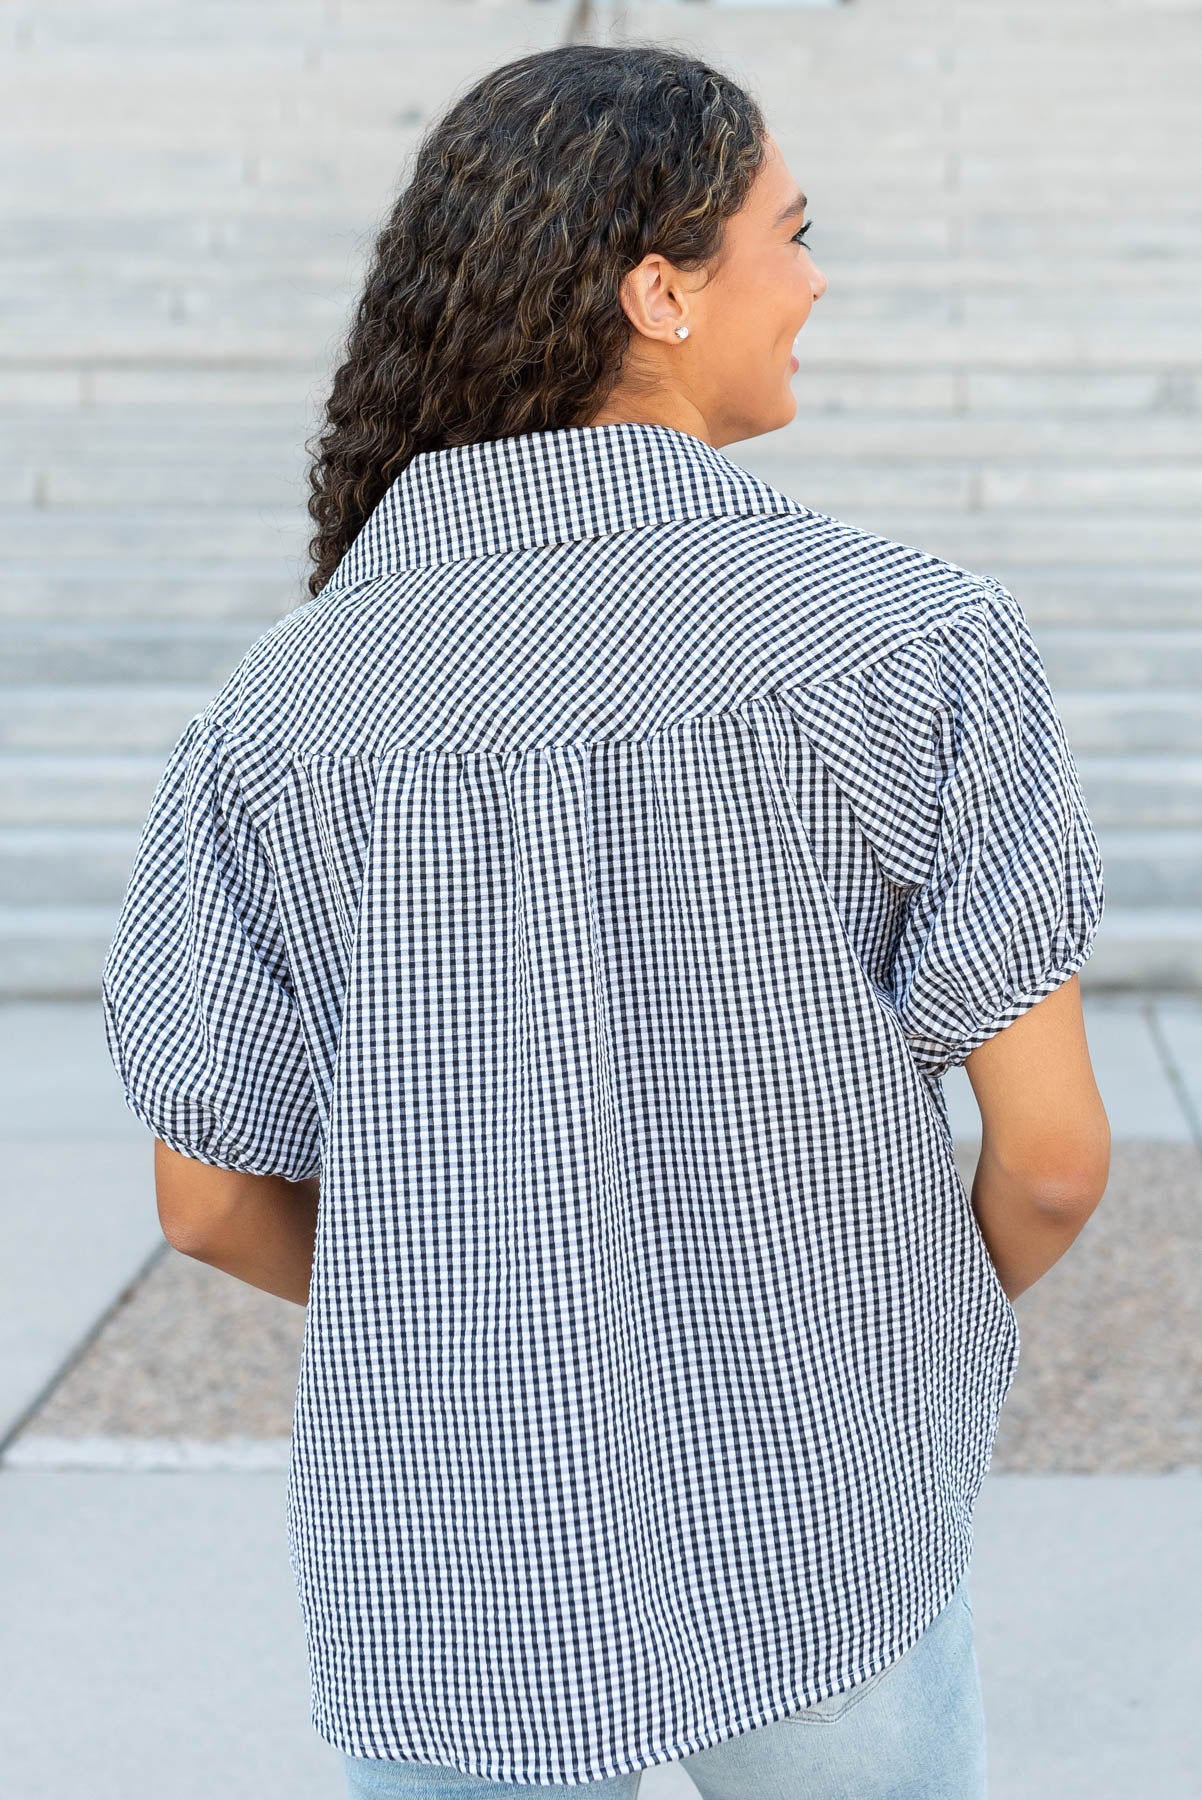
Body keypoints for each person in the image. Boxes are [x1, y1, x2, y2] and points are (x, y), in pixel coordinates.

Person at [99, 41, 1110, 1800]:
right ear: (659, 290)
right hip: (816, 1508)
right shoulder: (906, 638)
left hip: (450, 1554)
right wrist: (862, 1344)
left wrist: (471, 1328)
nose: (814, 280)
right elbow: (1047, 1165)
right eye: (788, 235)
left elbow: (204, 1202)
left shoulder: (284, 709)